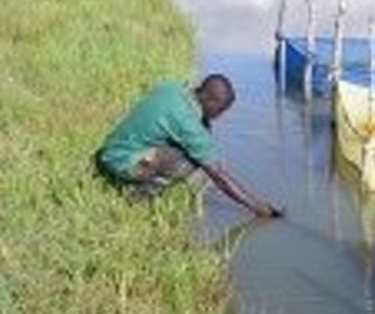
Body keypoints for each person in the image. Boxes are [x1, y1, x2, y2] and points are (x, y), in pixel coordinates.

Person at [96, 74, 283, 218]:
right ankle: (140, 198)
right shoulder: (188, 125)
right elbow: (219, 176)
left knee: (192, 144)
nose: (220, 116)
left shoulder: (172, 88)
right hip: (123, 162)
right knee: (190, 160)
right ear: (210, 100)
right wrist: (259, 208)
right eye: (220, 110)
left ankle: (133, 178)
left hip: (110, 150)